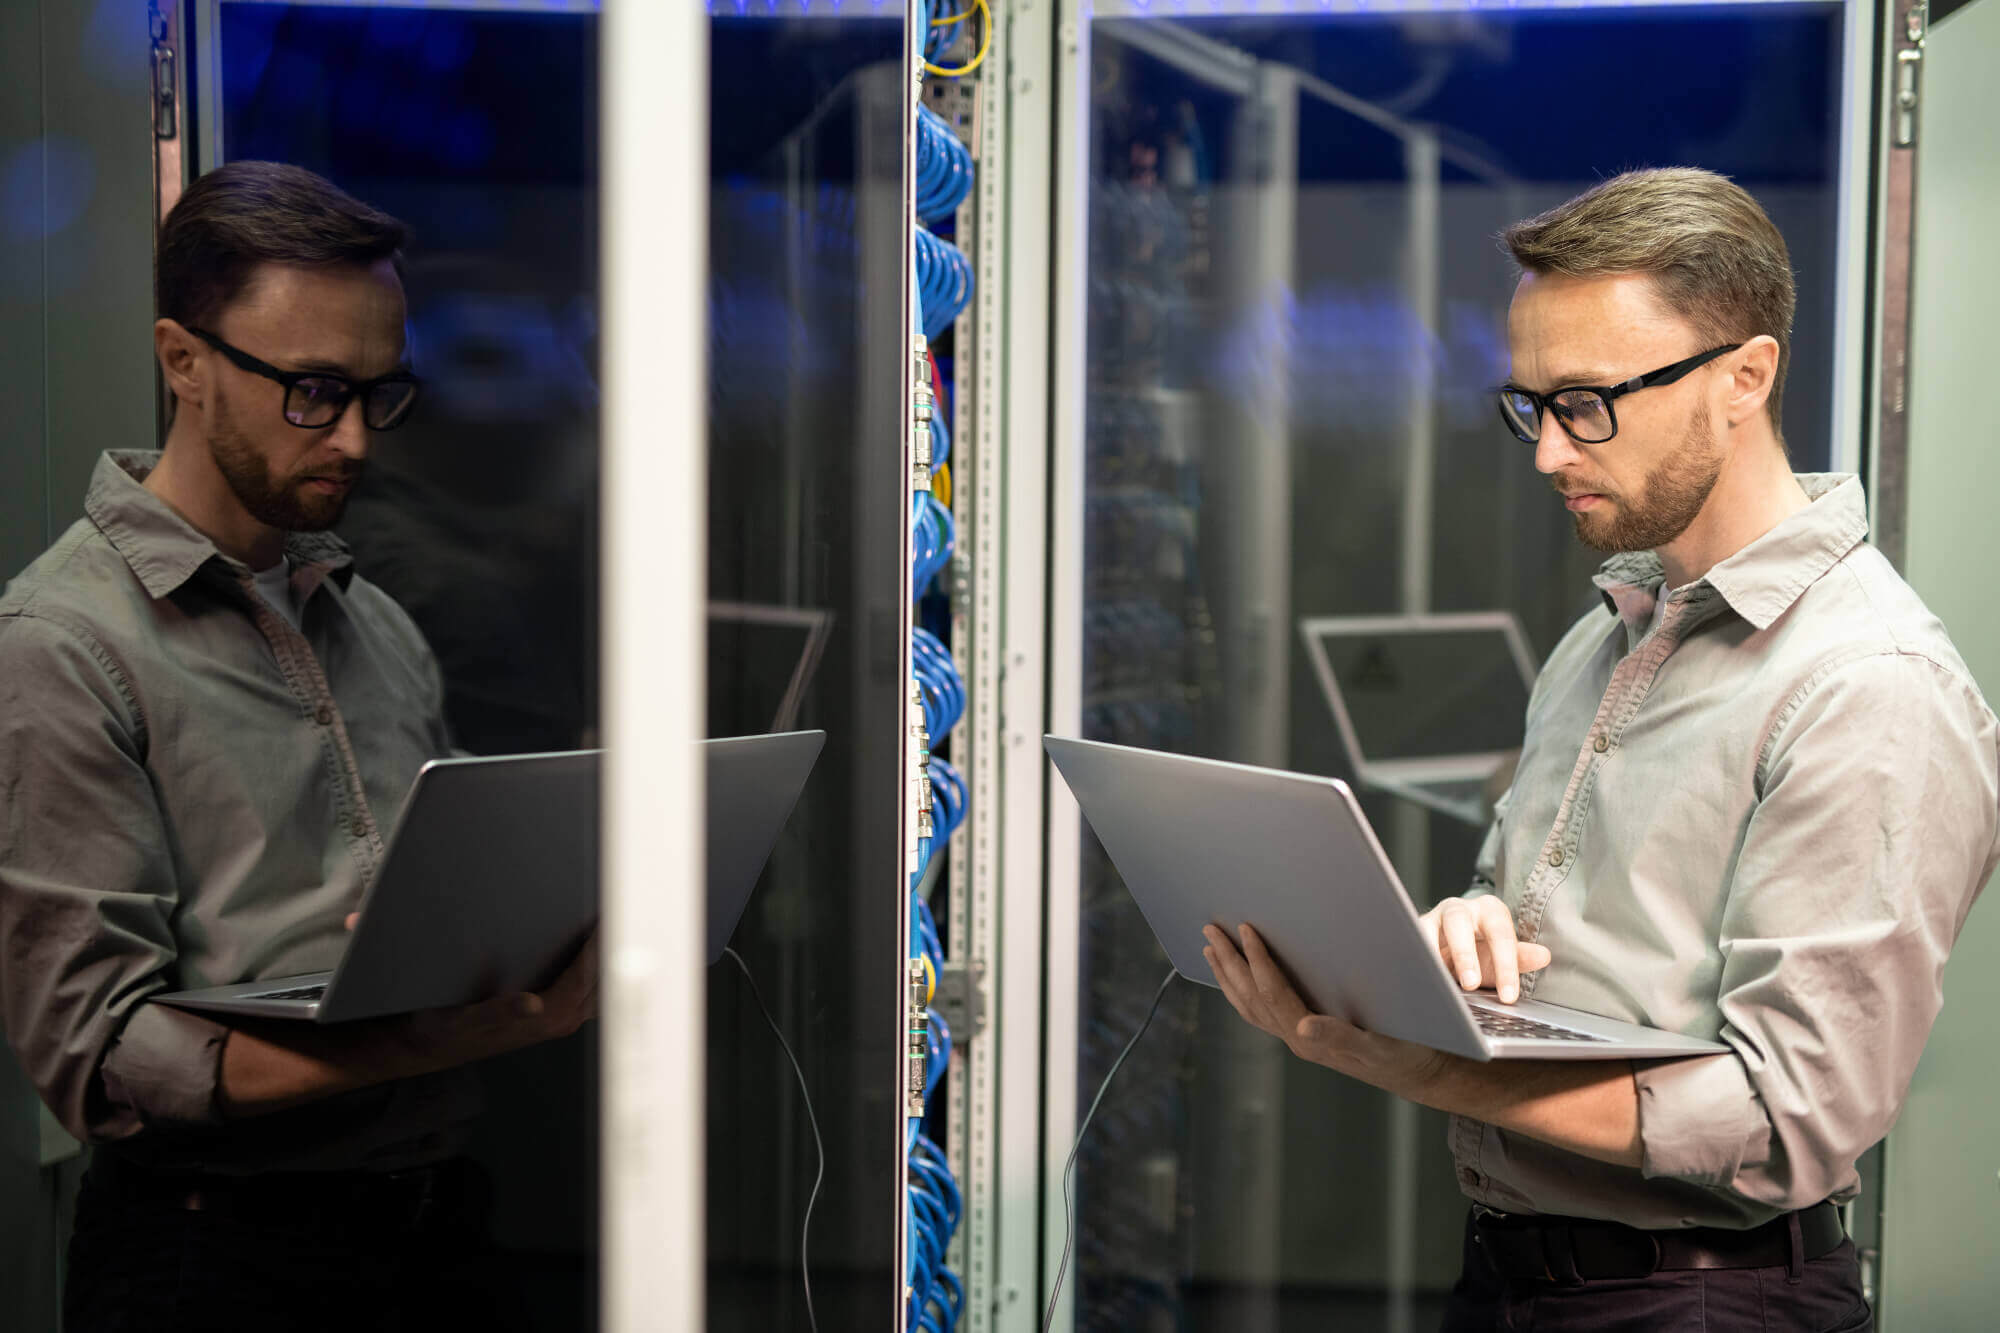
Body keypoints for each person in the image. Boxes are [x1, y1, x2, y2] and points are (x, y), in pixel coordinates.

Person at [1203, 168, 1998, 1330]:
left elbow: (1785, 1119)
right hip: (1520, 1271)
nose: (1546, 453)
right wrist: (1464, 935)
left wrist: (1415, 1064)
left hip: (1701, 1302)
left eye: (1587, 402)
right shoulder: (1606, 630)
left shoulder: (1868, 685)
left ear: (1744, 377)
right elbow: (1530, 913)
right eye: (1530, 404)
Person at [0, 161, 595, 1332]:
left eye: (382, 393)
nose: (359, 441)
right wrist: (425, 1037)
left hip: (438, 1221)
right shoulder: (60, 644)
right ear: (183, 360)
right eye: (314, 392)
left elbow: (425, 907)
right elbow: (103, 1061)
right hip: (213, 1256)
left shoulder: (373, 618)